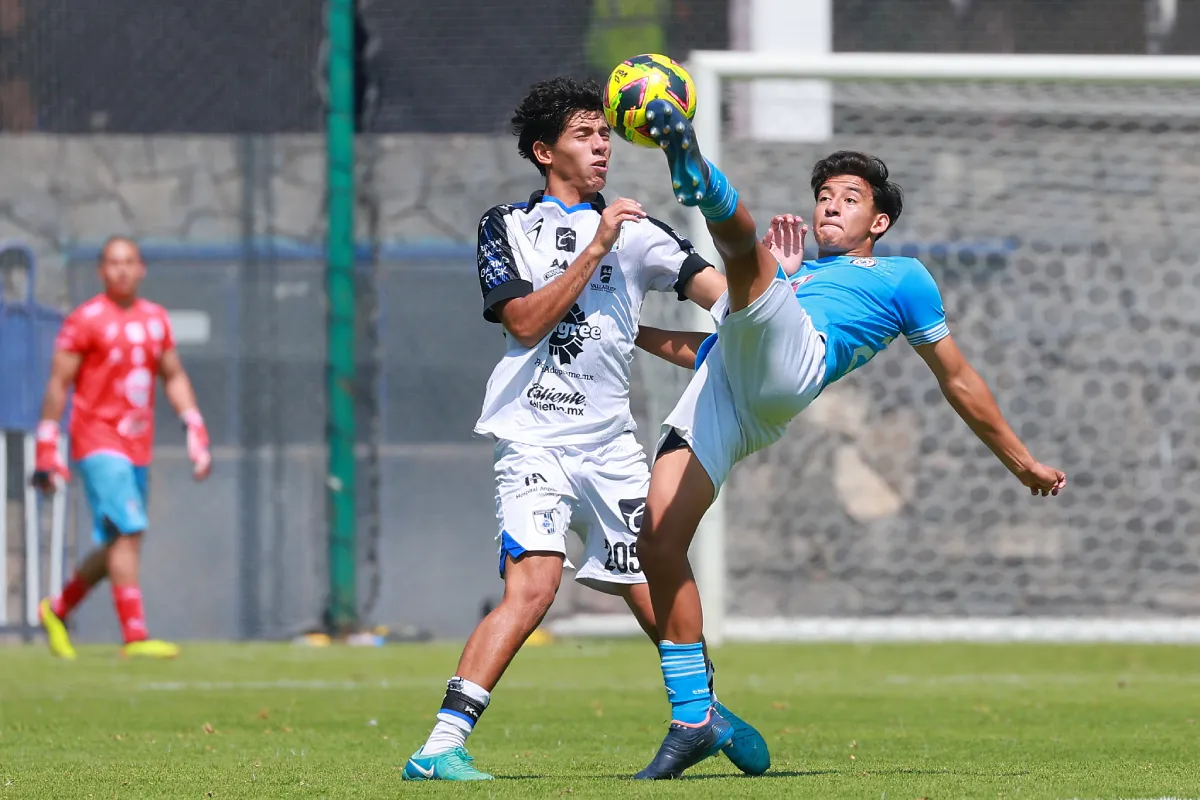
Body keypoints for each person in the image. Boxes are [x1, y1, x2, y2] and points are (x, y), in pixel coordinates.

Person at [629, 98, 1068, 779]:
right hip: (730, 388)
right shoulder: (799, 270)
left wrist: (1021, 461)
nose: (830, 206)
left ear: (879, 221)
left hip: (792, 367)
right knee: (655, 541)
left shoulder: (901, 278)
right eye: (825, 196)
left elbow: (957, 377)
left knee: (748, 261)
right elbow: (716, 349)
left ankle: (697, 179)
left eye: (850, 199)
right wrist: (627, 331)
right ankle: (695, 715)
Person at [401, 77, 768, 782]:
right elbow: (525, 322)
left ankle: (703, 712)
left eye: (606, 133)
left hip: (612, 450)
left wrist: (770, 308)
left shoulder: (640, 229)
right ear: (544, 151)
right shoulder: (504, 226)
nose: (603, 145)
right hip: (533, 443)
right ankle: (440, 746)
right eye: (583, 134)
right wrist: (598, 244)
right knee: (534, 588)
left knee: (658, 594)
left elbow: (726, 304)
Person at [34, 236, 211, 660]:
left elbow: (173, 375)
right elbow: (59, 384)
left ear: (141, 268)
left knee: (121, 541)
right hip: (97, 440)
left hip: (137, 445)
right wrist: (46, 443)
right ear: (101, 271)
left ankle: (57, 609)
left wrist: (194, 423)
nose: (121, 270)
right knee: (128, 531)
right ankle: (135, 636)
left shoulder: (155, 320)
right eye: (113, 263)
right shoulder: (85, 320)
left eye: (129, 262)